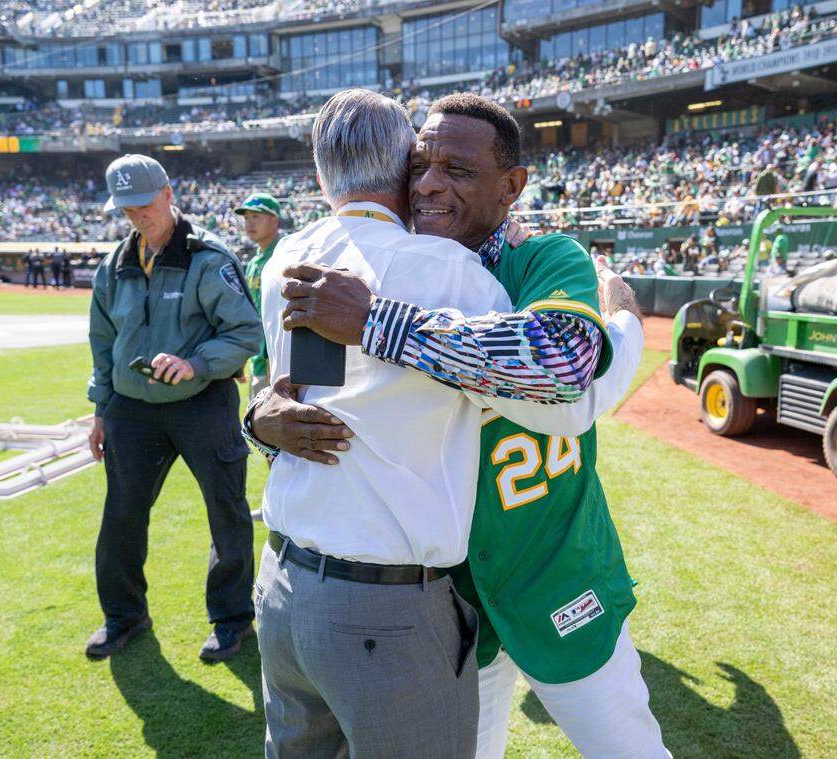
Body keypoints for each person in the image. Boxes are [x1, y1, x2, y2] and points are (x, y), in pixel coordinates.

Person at [252, 93, 667, 759]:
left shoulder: (544, 258)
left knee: (626, 747)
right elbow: (305, 386)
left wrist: (377, 322)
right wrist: (259, 415)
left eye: (459, 170)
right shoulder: (391, 259)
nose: (429, 184)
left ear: (512, 187)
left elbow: (566, 380)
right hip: (449, 602)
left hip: (551, 572)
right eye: (418, 165)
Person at [251, 89, 514, 759]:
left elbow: (304, 384)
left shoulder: (283, 257)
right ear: (405, 168)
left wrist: (256, 413)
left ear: (319, 175)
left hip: (283, 585)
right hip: (387, 606)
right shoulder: (455, 272)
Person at [84, 154, 263, 662]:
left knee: (225, 512)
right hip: (130, 408)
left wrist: (195, 362)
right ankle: (124, 615)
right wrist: (101, 407)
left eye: (144, 204)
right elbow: (102, 340)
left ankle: (231, 621)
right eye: (126, 209)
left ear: (167, 193)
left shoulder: (208, 258)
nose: (138, 217)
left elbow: (246, 333)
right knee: (121, 514)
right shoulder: (114, 264)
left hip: (201, 402)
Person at [233, 192, 281, 399]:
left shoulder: (284, 256)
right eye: (246, 218)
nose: (249, 224)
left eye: (257, 217)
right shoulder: (253, 264)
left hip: (277, 360)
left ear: (274, 220)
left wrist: (275, 357)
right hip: (258, 357)